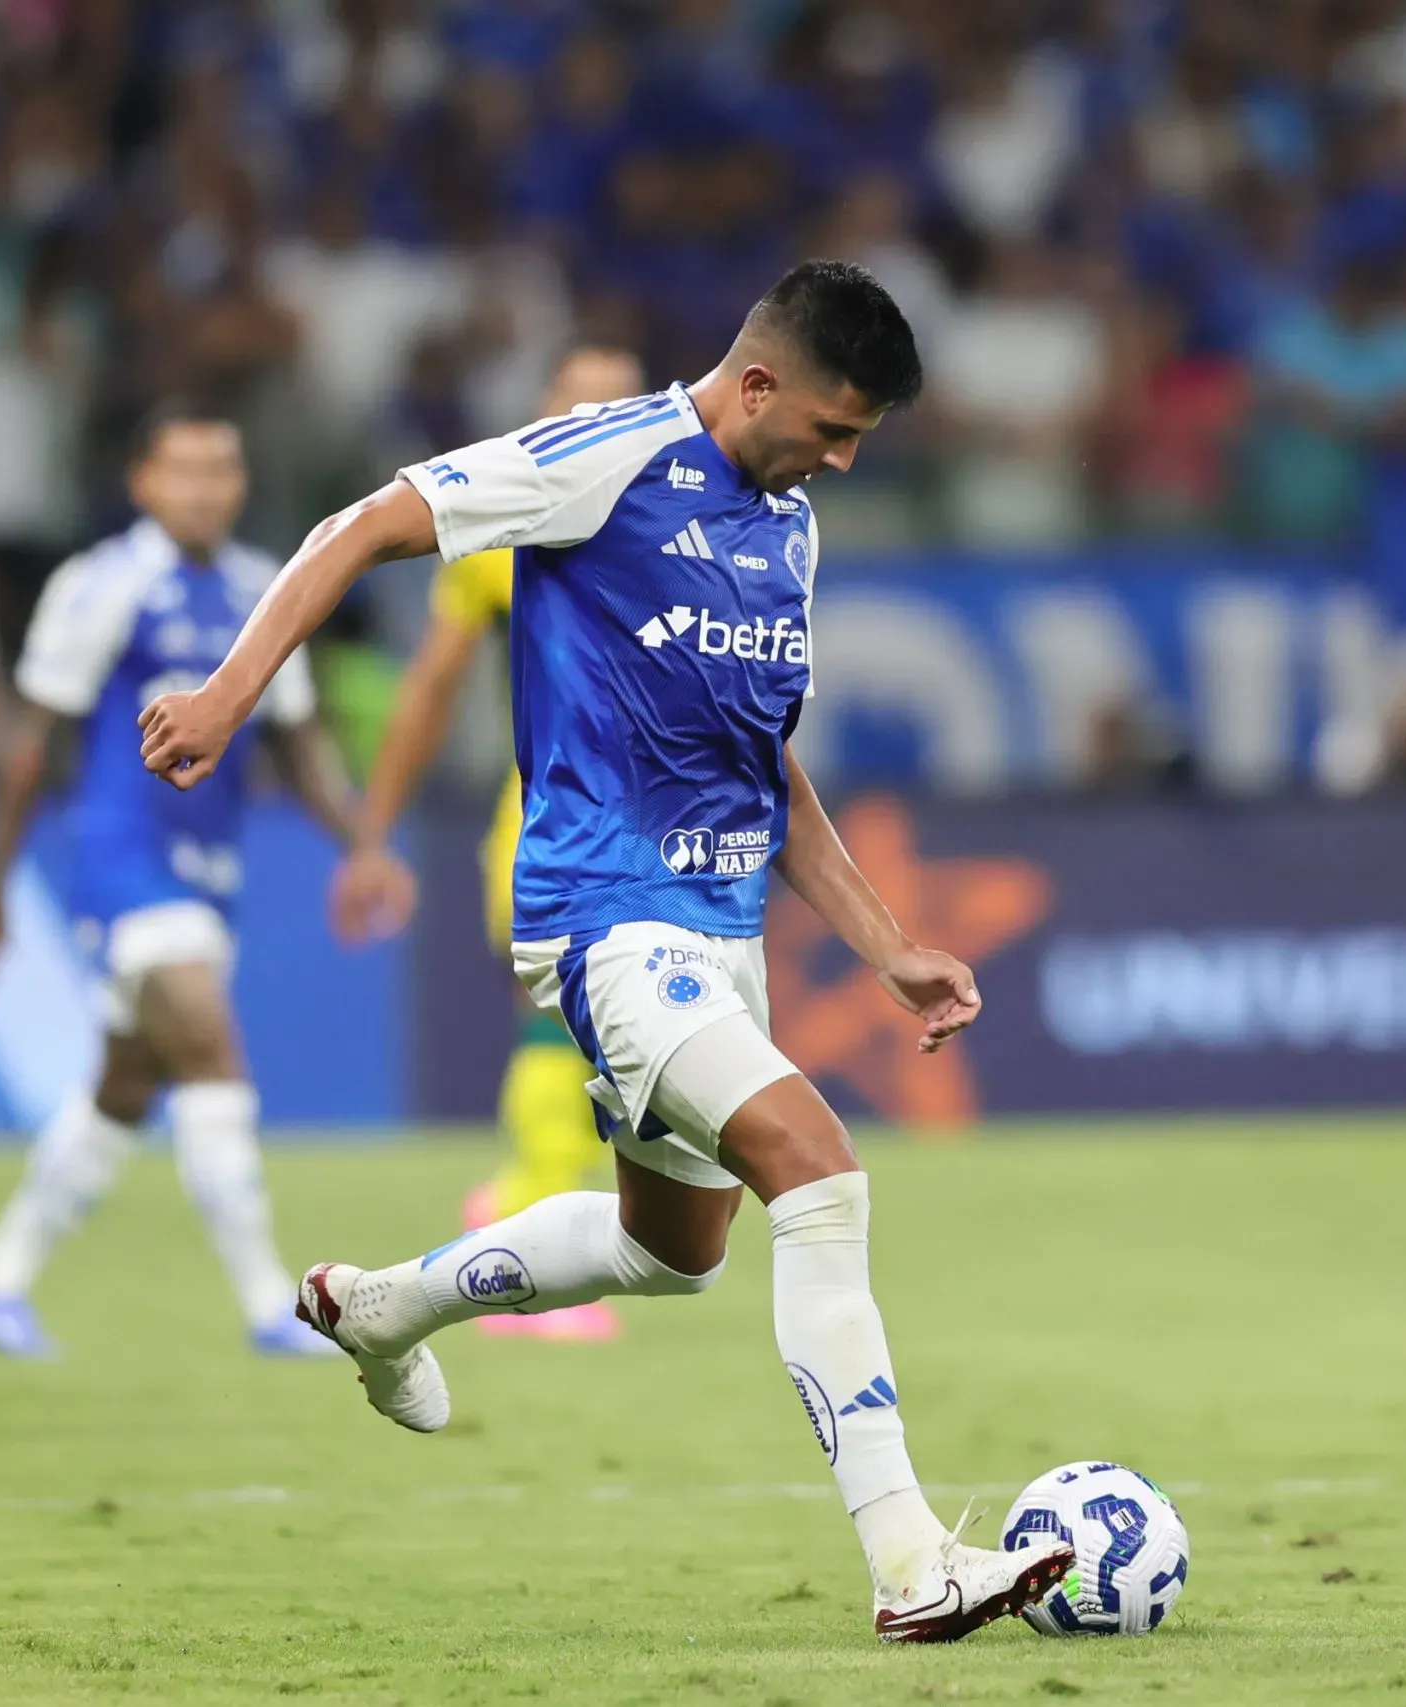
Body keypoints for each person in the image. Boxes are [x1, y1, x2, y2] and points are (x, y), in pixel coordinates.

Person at [138, 261, 1076, 1642]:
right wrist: (229, 693)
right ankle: (912, 1559)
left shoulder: (790, 527)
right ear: (757, 380)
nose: (843, 455)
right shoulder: (607, 456)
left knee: (674, 1250)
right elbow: (359, 523)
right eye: (830, 425)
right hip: (604, 916)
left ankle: (386, 1306)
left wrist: (889, 946)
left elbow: (764, 769)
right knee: (820, 1177)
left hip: (717, 928)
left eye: (861, 437)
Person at [0, 402, 395, 1361]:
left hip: (208, 873)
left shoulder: (262, 587)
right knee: (211, 1053)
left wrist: (363, 844)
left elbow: (301, 741)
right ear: (143, 482)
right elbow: (35, 742)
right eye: (183, 470)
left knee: (121, 1090)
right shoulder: (103, 584)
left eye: (222, 469)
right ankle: (272, 1304)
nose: (205, 488)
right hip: (121, 859)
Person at [331, 341, 646, 1344]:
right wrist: (373, 827)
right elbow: (430, 685)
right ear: (545, 418)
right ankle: (535, 1254)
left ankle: (517, 1209)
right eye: (577, 406)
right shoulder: (506, 529)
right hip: (547, 821)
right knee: (563, 1030)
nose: (597, 424)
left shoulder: (681, 530)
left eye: (617, 406)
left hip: (657, 829)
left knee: (629, 1053)